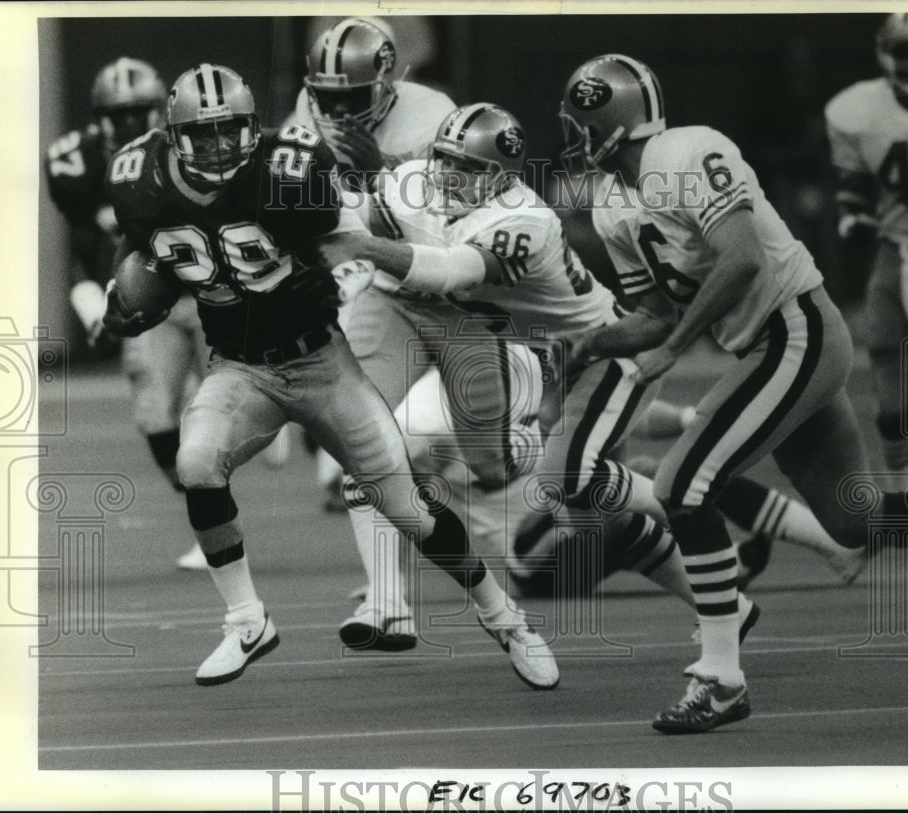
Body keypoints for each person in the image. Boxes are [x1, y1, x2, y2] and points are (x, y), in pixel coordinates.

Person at [102, 64, 558, 691]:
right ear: (173, 135)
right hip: (240, 367)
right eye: (200, 136)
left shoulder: (291, 166)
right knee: (197, 460)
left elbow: (349, 243)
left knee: (405, 507)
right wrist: (125, 293)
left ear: (251, 127)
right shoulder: (137, 178)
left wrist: (335, 268)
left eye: (228, 132)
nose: (216, 148)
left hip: (321, 362)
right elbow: (136, 248)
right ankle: (245, 621)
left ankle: (505, 619)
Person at [555, 54, 908, 733]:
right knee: (854, 519)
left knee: (680, 485)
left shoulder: (690, 151)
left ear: (608, 123)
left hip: (796, 329)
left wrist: (672, 352)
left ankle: (722, 677)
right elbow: (657, 315)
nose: (573, 136)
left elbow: (743, 259)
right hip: (766, 346)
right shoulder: (612, 203)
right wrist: (593, 341)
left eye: (581, 123)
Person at [318, 102, 762, 653]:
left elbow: (452, 271)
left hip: (606, 354)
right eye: (445, 160)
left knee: (568, 479)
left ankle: (679, 491)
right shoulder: (415, 180)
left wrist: (360, 242)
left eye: (470, 169)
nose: (449, 176)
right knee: (599, 518)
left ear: (503, 177)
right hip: (550, 360)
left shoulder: (523, 220)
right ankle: (727, 605)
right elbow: (373, 213)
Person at [283, 16, 458, 512]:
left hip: (457, 290)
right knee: (359, 426)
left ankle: (442, 462)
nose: (337, 109)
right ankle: (385, 585)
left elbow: (443, 227)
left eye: (352, 96)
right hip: (383, 285)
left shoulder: (434, 114)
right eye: (327, 96)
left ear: (387, 82)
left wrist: (379, 172)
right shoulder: (308, 109)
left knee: (494, 458)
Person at [45, 56, 209, 571]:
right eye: (120, 114)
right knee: (157, 414)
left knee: (243, 406)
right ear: (100, 116)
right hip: (147, 301)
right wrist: (91, 298)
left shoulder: (193, 146)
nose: (132, 124)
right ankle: (209, 520)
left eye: (141, 112)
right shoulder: (78, 164)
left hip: (210, 292)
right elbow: (82, 240)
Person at [825, 12, 908, 474]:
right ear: (885, 56)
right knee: (889, 388)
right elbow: (852, 182)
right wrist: (853, 214)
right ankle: (903, 497)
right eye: (905, 54)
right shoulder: (856, 110)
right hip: (896, 251)